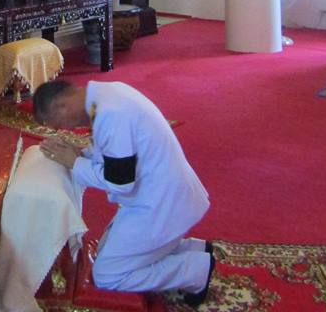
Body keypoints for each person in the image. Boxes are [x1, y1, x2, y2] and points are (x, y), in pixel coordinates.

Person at [34, 80, 214, 306]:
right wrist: (81, 154)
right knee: (104, 252)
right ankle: (195, 248)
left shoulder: (110, 113)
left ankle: (195, 270)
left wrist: (75, 163)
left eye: (57, 124)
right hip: (158, 193)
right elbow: (114, 152)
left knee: (107, 274)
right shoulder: (104, 95)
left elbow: (120, 182)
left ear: (61, 107)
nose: (64, 129)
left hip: (161, 202)